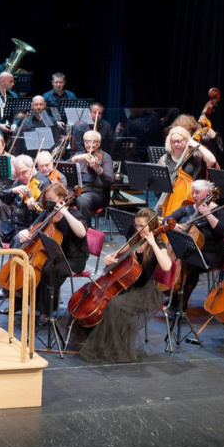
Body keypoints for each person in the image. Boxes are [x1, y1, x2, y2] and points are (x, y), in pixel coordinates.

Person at [79, 208, 172, 363]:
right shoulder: (136, 238)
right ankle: (105, 344)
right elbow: (119, 252)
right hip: (128, 285)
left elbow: (167, 266)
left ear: (152, 226)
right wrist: (110, 257)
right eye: (136, 225)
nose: (138, 229)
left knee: (115, 304)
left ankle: (117, 348)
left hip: (144, 291)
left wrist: (152, 243)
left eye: (142, 226)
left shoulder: (159, 243)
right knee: (105, 302)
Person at [16, 182, 87, 323]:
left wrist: (65, 212)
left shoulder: (73, 213)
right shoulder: (48, 213)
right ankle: (20, 302)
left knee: (49, 269)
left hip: (73, 258)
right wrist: (23, 232)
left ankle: (46, 311)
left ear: (62, 198)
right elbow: (32, 228)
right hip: (53, 255)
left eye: (52, 199)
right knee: (39, 265)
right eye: (47, 199)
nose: (49, 202)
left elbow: (81, 233)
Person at [164, 180, 224, 316]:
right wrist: (172, 224)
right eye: (193, 192)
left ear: (207, 193)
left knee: (191, 264)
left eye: (197, 193)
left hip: (212, 252)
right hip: (190, 250)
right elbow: (167, 219)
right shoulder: (187, 209)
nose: (194, 195)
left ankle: (182, 301)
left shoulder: (218, 211)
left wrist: (208, 214)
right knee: (175, 258)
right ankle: (173, 293)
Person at [71, 130, 114, 226]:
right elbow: (64, 168)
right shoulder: (79, 155)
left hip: (97, 193)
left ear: (99, 143)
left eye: (93, 142)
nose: (89, 145)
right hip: (77, 191)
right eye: (87, 142)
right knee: (57, 198)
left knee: (82, 200)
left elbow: (110, 179)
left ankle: (85, 234)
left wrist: (97, 168)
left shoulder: (105, 157)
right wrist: (74, 159)